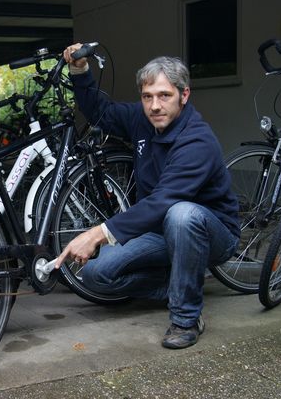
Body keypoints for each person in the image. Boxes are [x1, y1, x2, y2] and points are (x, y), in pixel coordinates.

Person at [56, 43, 240, 349]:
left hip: (212, 233)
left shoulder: (197, 140)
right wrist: (80, 70)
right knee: (95, 276)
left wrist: (98, 234)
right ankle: (180, 282)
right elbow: (100, 112)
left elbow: (164, 201)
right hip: (158, 233)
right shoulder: (143, 120)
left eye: (164, 96)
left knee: (182, 214)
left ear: (184, 95)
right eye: (147, 97)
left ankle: (186, 317)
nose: (155, 106)